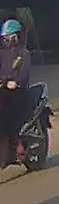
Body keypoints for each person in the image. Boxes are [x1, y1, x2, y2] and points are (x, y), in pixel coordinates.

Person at [0, 19, 31, 168]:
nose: (8, 41)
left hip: (18, 92)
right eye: (6, 38)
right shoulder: (1, 54)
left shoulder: (24, 54)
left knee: (9, 115)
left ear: (18, 37)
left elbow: (24, 74)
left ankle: (18, 143)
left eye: (11, 37)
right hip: (3, 89)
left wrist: (15, 82)